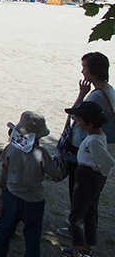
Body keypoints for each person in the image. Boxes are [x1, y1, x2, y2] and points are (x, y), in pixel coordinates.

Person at [57, 52, 115, 239]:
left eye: (85, 67)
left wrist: (81, 94)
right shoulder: (109, 90)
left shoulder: (96, 96)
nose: (82, 70)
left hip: (82, 146)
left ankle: (76, 229)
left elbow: (75, 115)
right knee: (89, 196)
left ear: (94, 71)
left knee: (78, 190)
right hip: (95, 145)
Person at [0, 111, 59, 257]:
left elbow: (5, 165)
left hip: (12, 195)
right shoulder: (41, 153)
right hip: (34, 199)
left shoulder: (11, 148)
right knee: (33, 235)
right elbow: (55, 174)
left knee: (4, 231)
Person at [61, 101, 114, 257]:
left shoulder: (94, 141)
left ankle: (77, 250)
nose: (76, 123)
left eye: (78, 120)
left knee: (77, 215)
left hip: (88, 178)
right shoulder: (95, 136)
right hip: (89, 175)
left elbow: (107, 162)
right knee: (90, 212)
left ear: (90, 124)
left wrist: (95, 174)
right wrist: (76, 159)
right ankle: (87, 246)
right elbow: (91, 158)